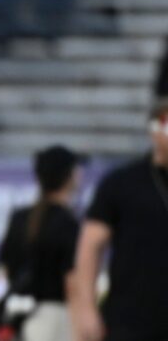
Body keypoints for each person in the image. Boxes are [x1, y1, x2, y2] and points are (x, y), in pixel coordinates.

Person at [72, 100, 168, 341]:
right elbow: (89, 246)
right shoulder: (122, 182)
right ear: (153, 130)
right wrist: (86, 308)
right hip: (131, 320)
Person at [0, 145, 84, 341]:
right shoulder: (68, 223)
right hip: (54, 316)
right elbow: (72, 281)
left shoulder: (20, 218)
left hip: (19, 313)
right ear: (68, 175)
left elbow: (5, 270)